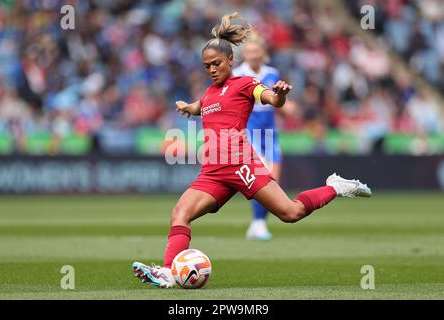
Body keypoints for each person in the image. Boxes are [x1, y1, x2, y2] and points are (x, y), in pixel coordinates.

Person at [132, 13, 371, 288]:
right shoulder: (209, 93)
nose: (211, 69)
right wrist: (189, 108)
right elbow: (202, 106)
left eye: (216, 64)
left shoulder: (244, 84)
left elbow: (270, 99)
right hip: (213, 172)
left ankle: (337, 187)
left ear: (231, 61)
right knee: (180, 214)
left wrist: (279, 94)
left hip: (240, 165)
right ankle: (167, 273)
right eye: (207, 66)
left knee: (290, 213)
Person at [233, 32, 295, 241]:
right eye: (249, 50)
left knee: (273, 180)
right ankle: (258, 224)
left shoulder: (272, 73)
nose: (253, 54)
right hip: (249, 133)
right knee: (263, 179)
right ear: (244, 53)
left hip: (270, 134)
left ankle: (258, 223)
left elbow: (277, 101)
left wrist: (287, 104)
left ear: (263, 53)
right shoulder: (237, 75)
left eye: (256, 50)